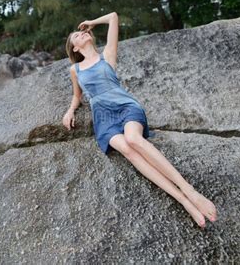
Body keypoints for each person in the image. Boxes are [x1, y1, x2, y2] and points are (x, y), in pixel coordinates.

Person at [62, 12, 217, 228]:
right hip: (103, 118)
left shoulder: (107, 55)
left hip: (125, 107)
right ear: (75, 49)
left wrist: (93, 22)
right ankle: (183, 201)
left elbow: (114, 17)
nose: (80, 34)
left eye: (81, 32)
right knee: (127, 149)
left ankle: (190, 190)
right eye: (75, 37)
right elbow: (77, 96)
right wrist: (70, 111)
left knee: (133, 139)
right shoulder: (75, 69)